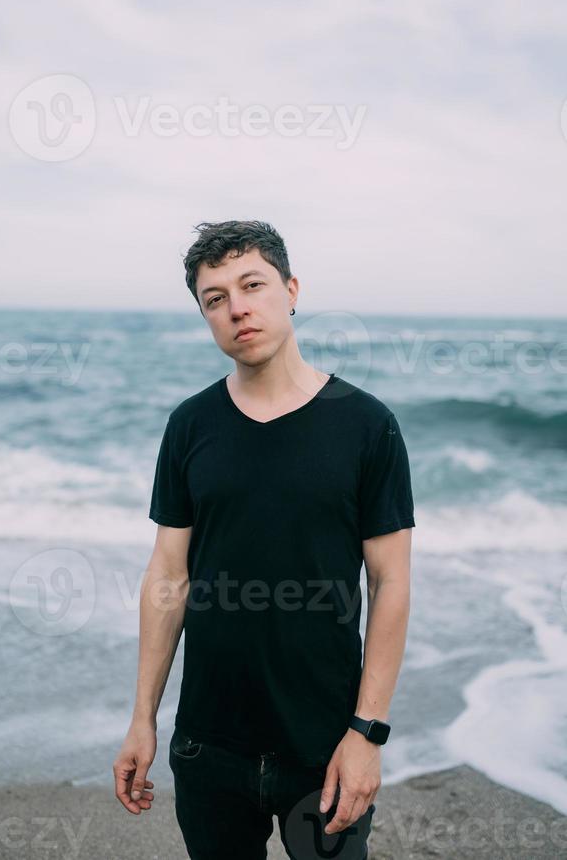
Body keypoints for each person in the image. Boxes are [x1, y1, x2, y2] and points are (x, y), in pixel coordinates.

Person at [113, 220, 416, 860]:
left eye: (251, 285)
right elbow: (168, 574)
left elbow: (391, 583)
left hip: (325, 746)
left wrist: (367, 733)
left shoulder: (366, 425)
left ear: (291, 289)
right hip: (208, 744)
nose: (236, 308)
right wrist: (143, 717)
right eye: (214, 298)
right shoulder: (190, 425)